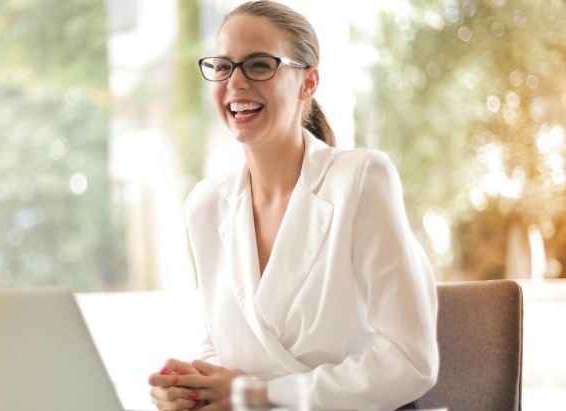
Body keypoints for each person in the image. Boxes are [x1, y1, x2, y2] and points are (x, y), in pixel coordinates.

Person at [147, 1, 439, 410]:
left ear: (308, 82)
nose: (236, 82)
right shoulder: (206, 205)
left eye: (259, 65)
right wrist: (192, 388)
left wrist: (258, 395)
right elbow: (220, 344)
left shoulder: (360, 179)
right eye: (223, 66)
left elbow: (410, 362)